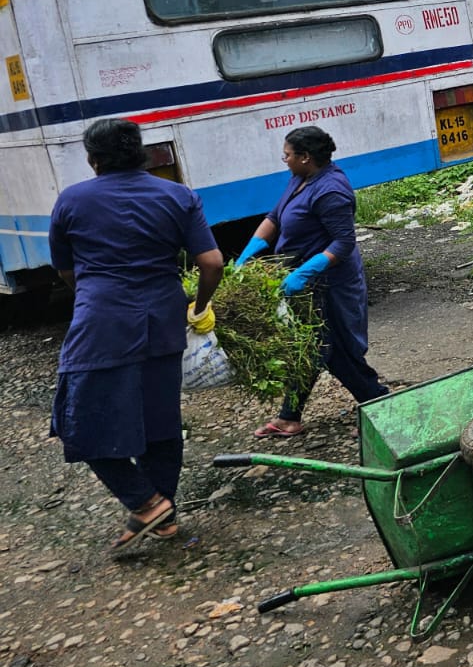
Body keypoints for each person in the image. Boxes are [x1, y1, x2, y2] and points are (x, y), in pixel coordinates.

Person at [48, 118, 225, 550]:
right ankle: (162, 515)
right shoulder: (177, 195)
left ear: (93, 159)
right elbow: (213, 263)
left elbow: (66, 269)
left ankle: (146, 502)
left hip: (101, 321)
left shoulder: (72, 200)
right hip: (163, 318)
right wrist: (198, 306)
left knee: (78, 420)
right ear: (139, 153)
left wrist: (94, 294)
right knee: (158, 419)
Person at [245, 126, 389, 437]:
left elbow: (343, 242)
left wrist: (304, 272)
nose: (284, 160)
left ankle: (379, 404)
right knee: (310, 347)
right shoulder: (300, 179)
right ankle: (289, 416)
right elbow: (274, 217)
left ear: (305, 157)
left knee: (331, 348)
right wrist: (248, 255)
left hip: (331, 284)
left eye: (287, 155)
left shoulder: (331, 190)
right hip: (307, 284)